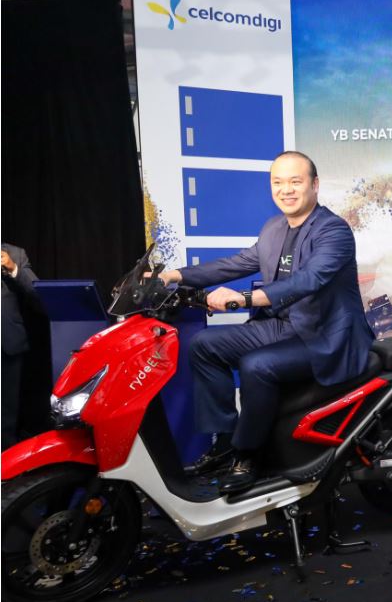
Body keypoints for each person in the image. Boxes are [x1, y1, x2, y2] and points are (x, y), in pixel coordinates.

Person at [157, 151, 374, 492]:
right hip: (284, 326)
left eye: (295, 181)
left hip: (325, 337)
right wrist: (175, 275)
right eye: (278, 182)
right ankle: (226, 442)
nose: (286, 190)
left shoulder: (334, 230)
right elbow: (236, 263)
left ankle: (249, 455)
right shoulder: (273, 228)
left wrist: (244, 299)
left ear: (314, 185)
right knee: (203, 345)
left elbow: (308, 280)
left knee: (257, 365)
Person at [2, 243, 39, 449]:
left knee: (7, 411)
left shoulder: (15, 253)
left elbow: (36, 291)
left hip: (8, 342)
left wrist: (13, 268)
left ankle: (5, 458)